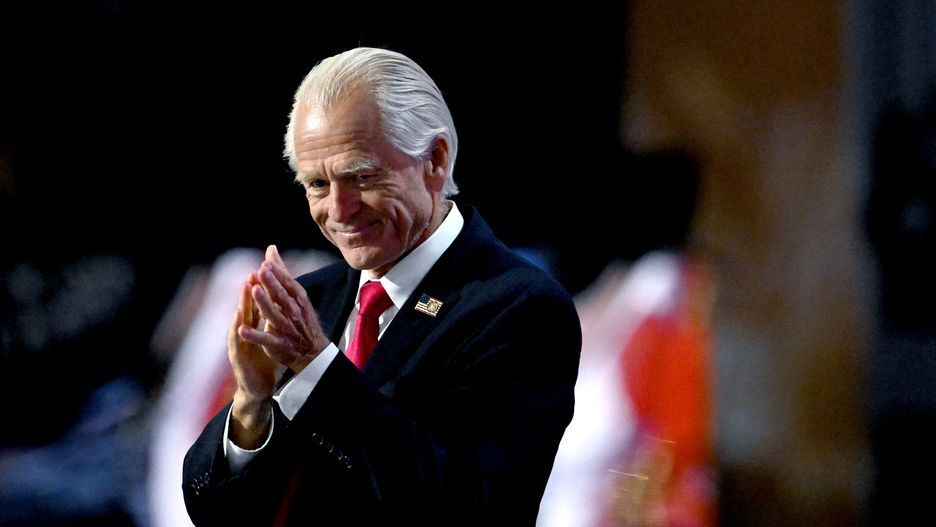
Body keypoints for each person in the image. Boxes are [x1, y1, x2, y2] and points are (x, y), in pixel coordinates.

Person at [182, 47, 581, 525]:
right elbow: (213, 510)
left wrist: (316, 370)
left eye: (361, 177)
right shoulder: (311, 301)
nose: (339, 209)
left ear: (435, 161)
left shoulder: (520, 308)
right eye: (317, 185)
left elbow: (469, 507)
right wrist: (250, 404)